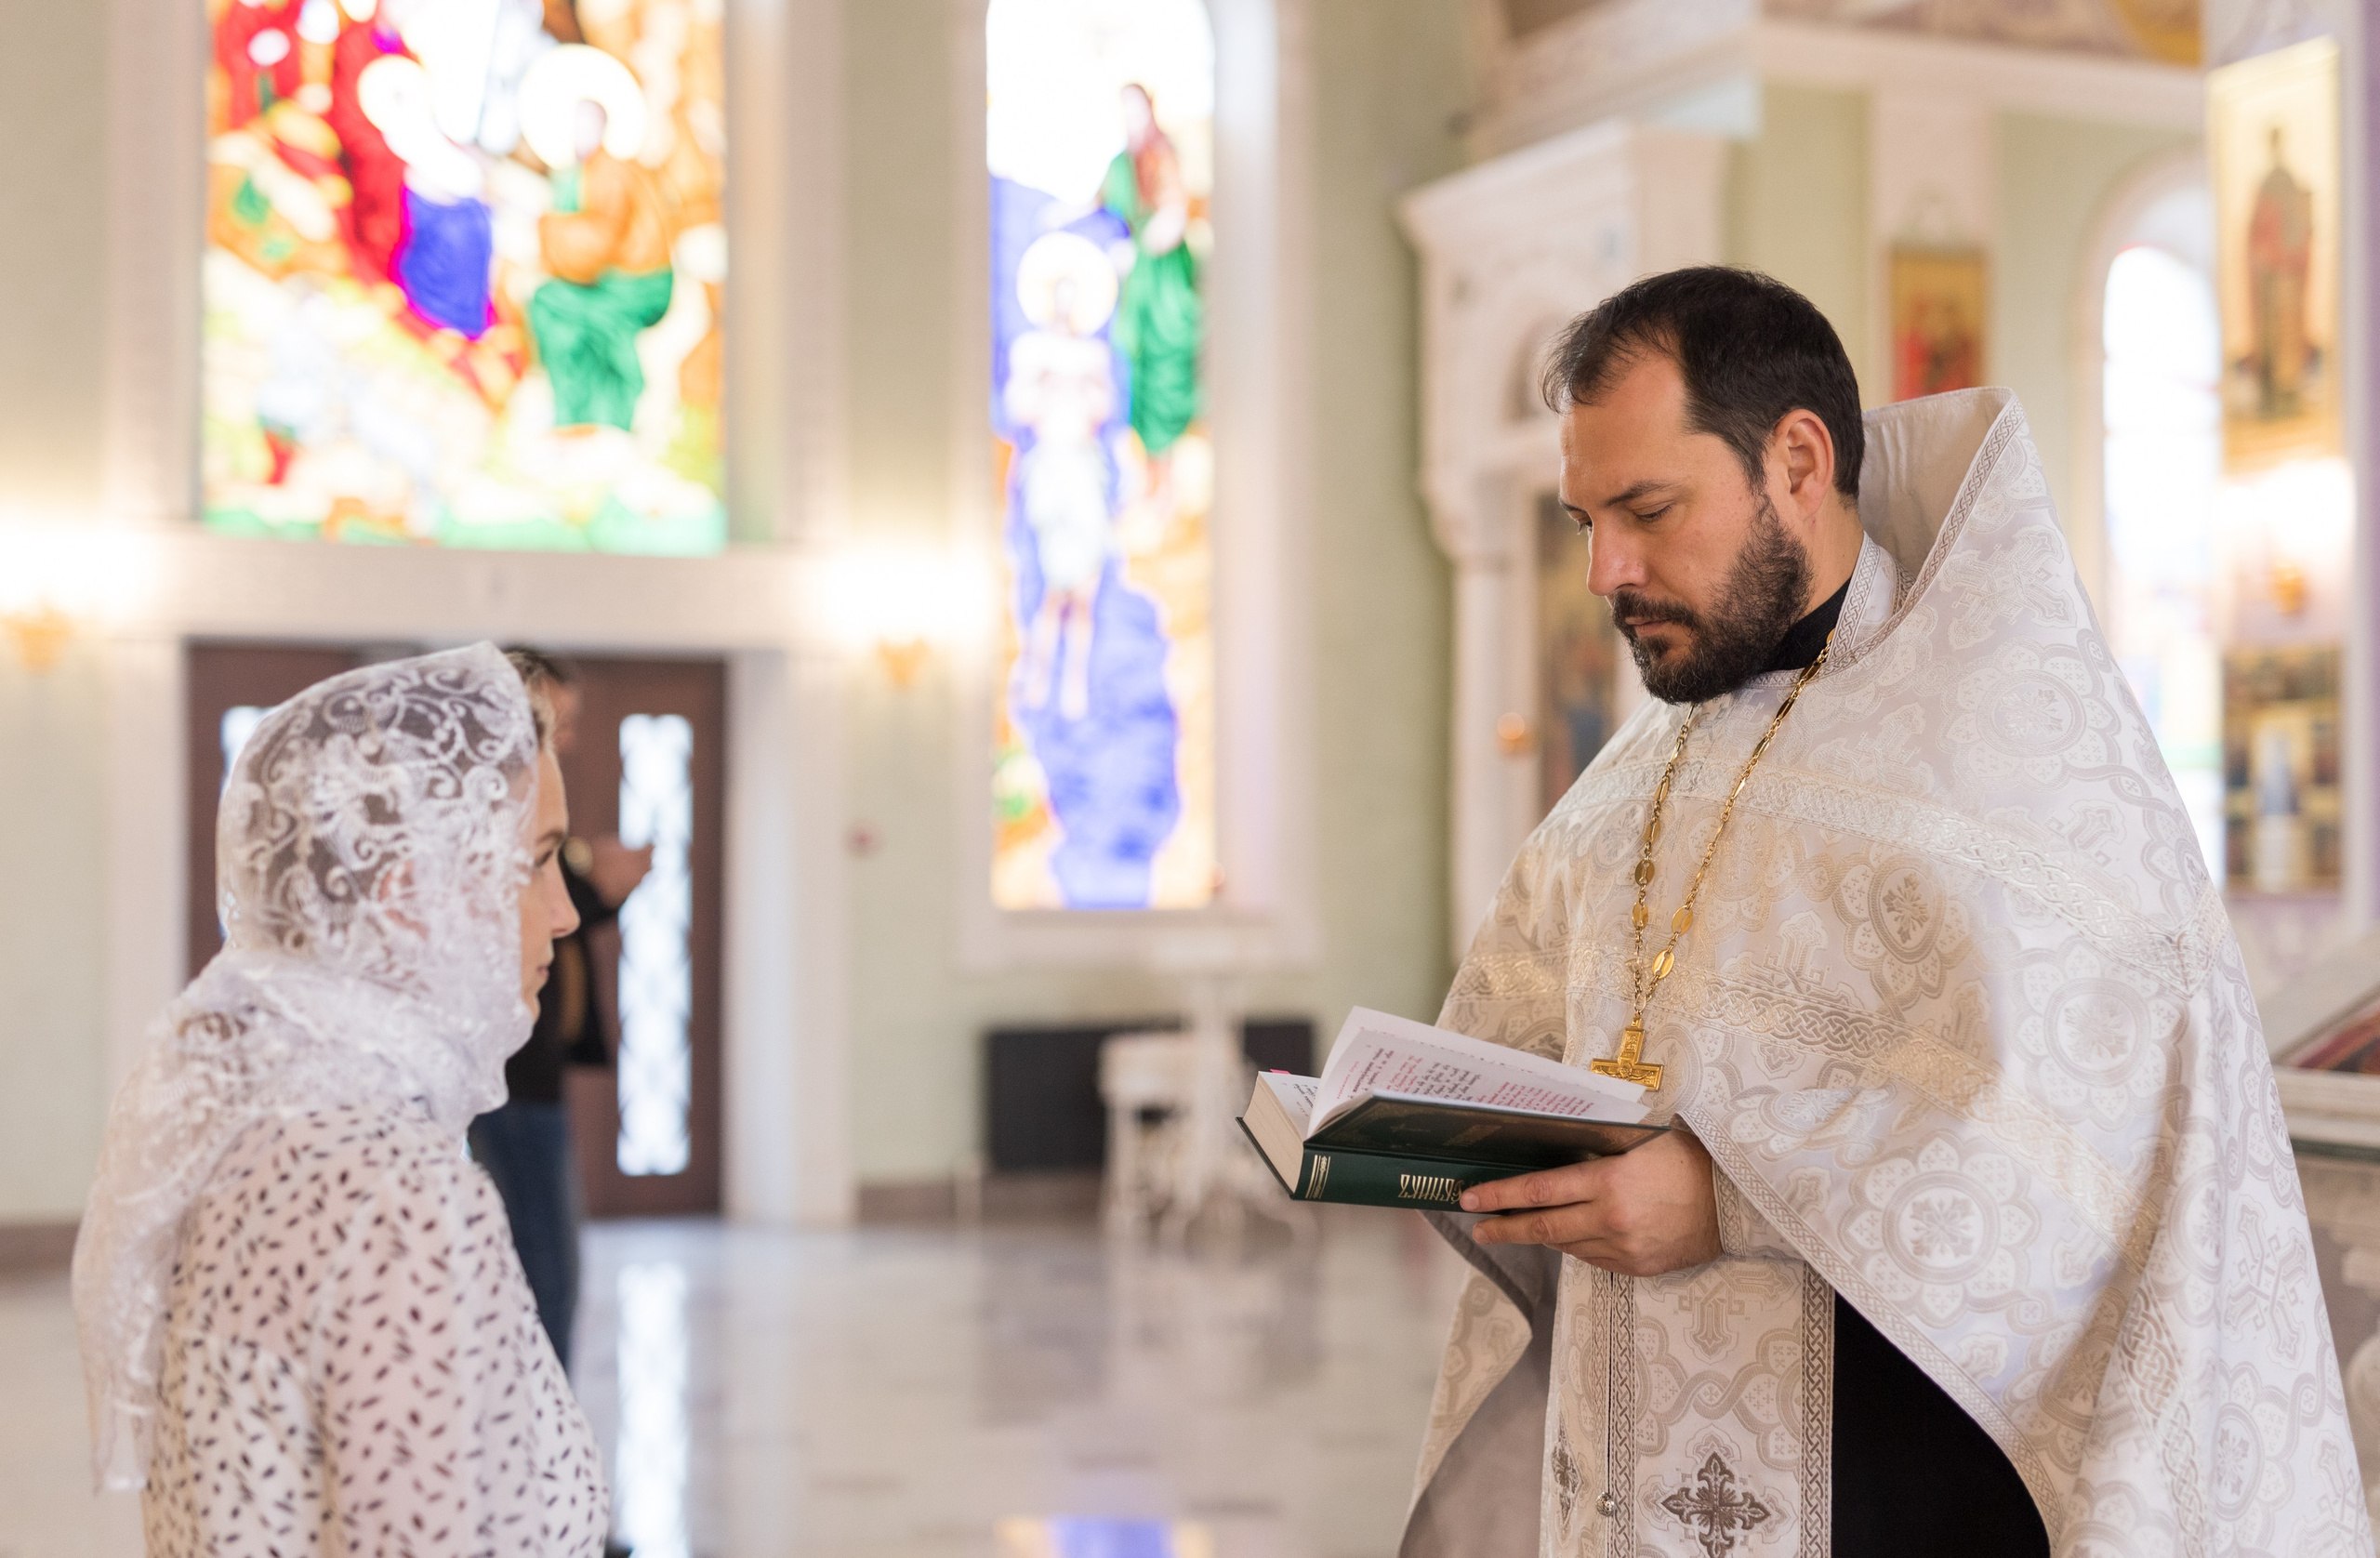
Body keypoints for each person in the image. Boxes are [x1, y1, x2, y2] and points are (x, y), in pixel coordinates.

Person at [1400, 268, 2367, 1556]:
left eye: (1646, 509)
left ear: (1798, 459)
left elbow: (2096, 1152)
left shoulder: (2016, 755)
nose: (1605, 570)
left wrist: (1725, 1206)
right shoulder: (1636, 772)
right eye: (1588, 519)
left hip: (1916, 1485)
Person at [72, 643, 607, 1555]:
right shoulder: (399, 1195)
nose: (561, 911)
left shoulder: (239, 1120)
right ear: (410, 895)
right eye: (537, 860)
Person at [473, 647, 652, 1372]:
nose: (564, 737)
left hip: (535, 1066)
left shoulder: (538, 805)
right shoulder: (487, 807)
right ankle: (540, 1414)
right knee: (545, 1262)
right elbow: (498, 918)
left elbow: (550, 917)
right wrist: (591, 888)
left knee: (552, 1258)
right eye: (553, 719)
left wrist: (597, 892)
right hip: (510, 1072)